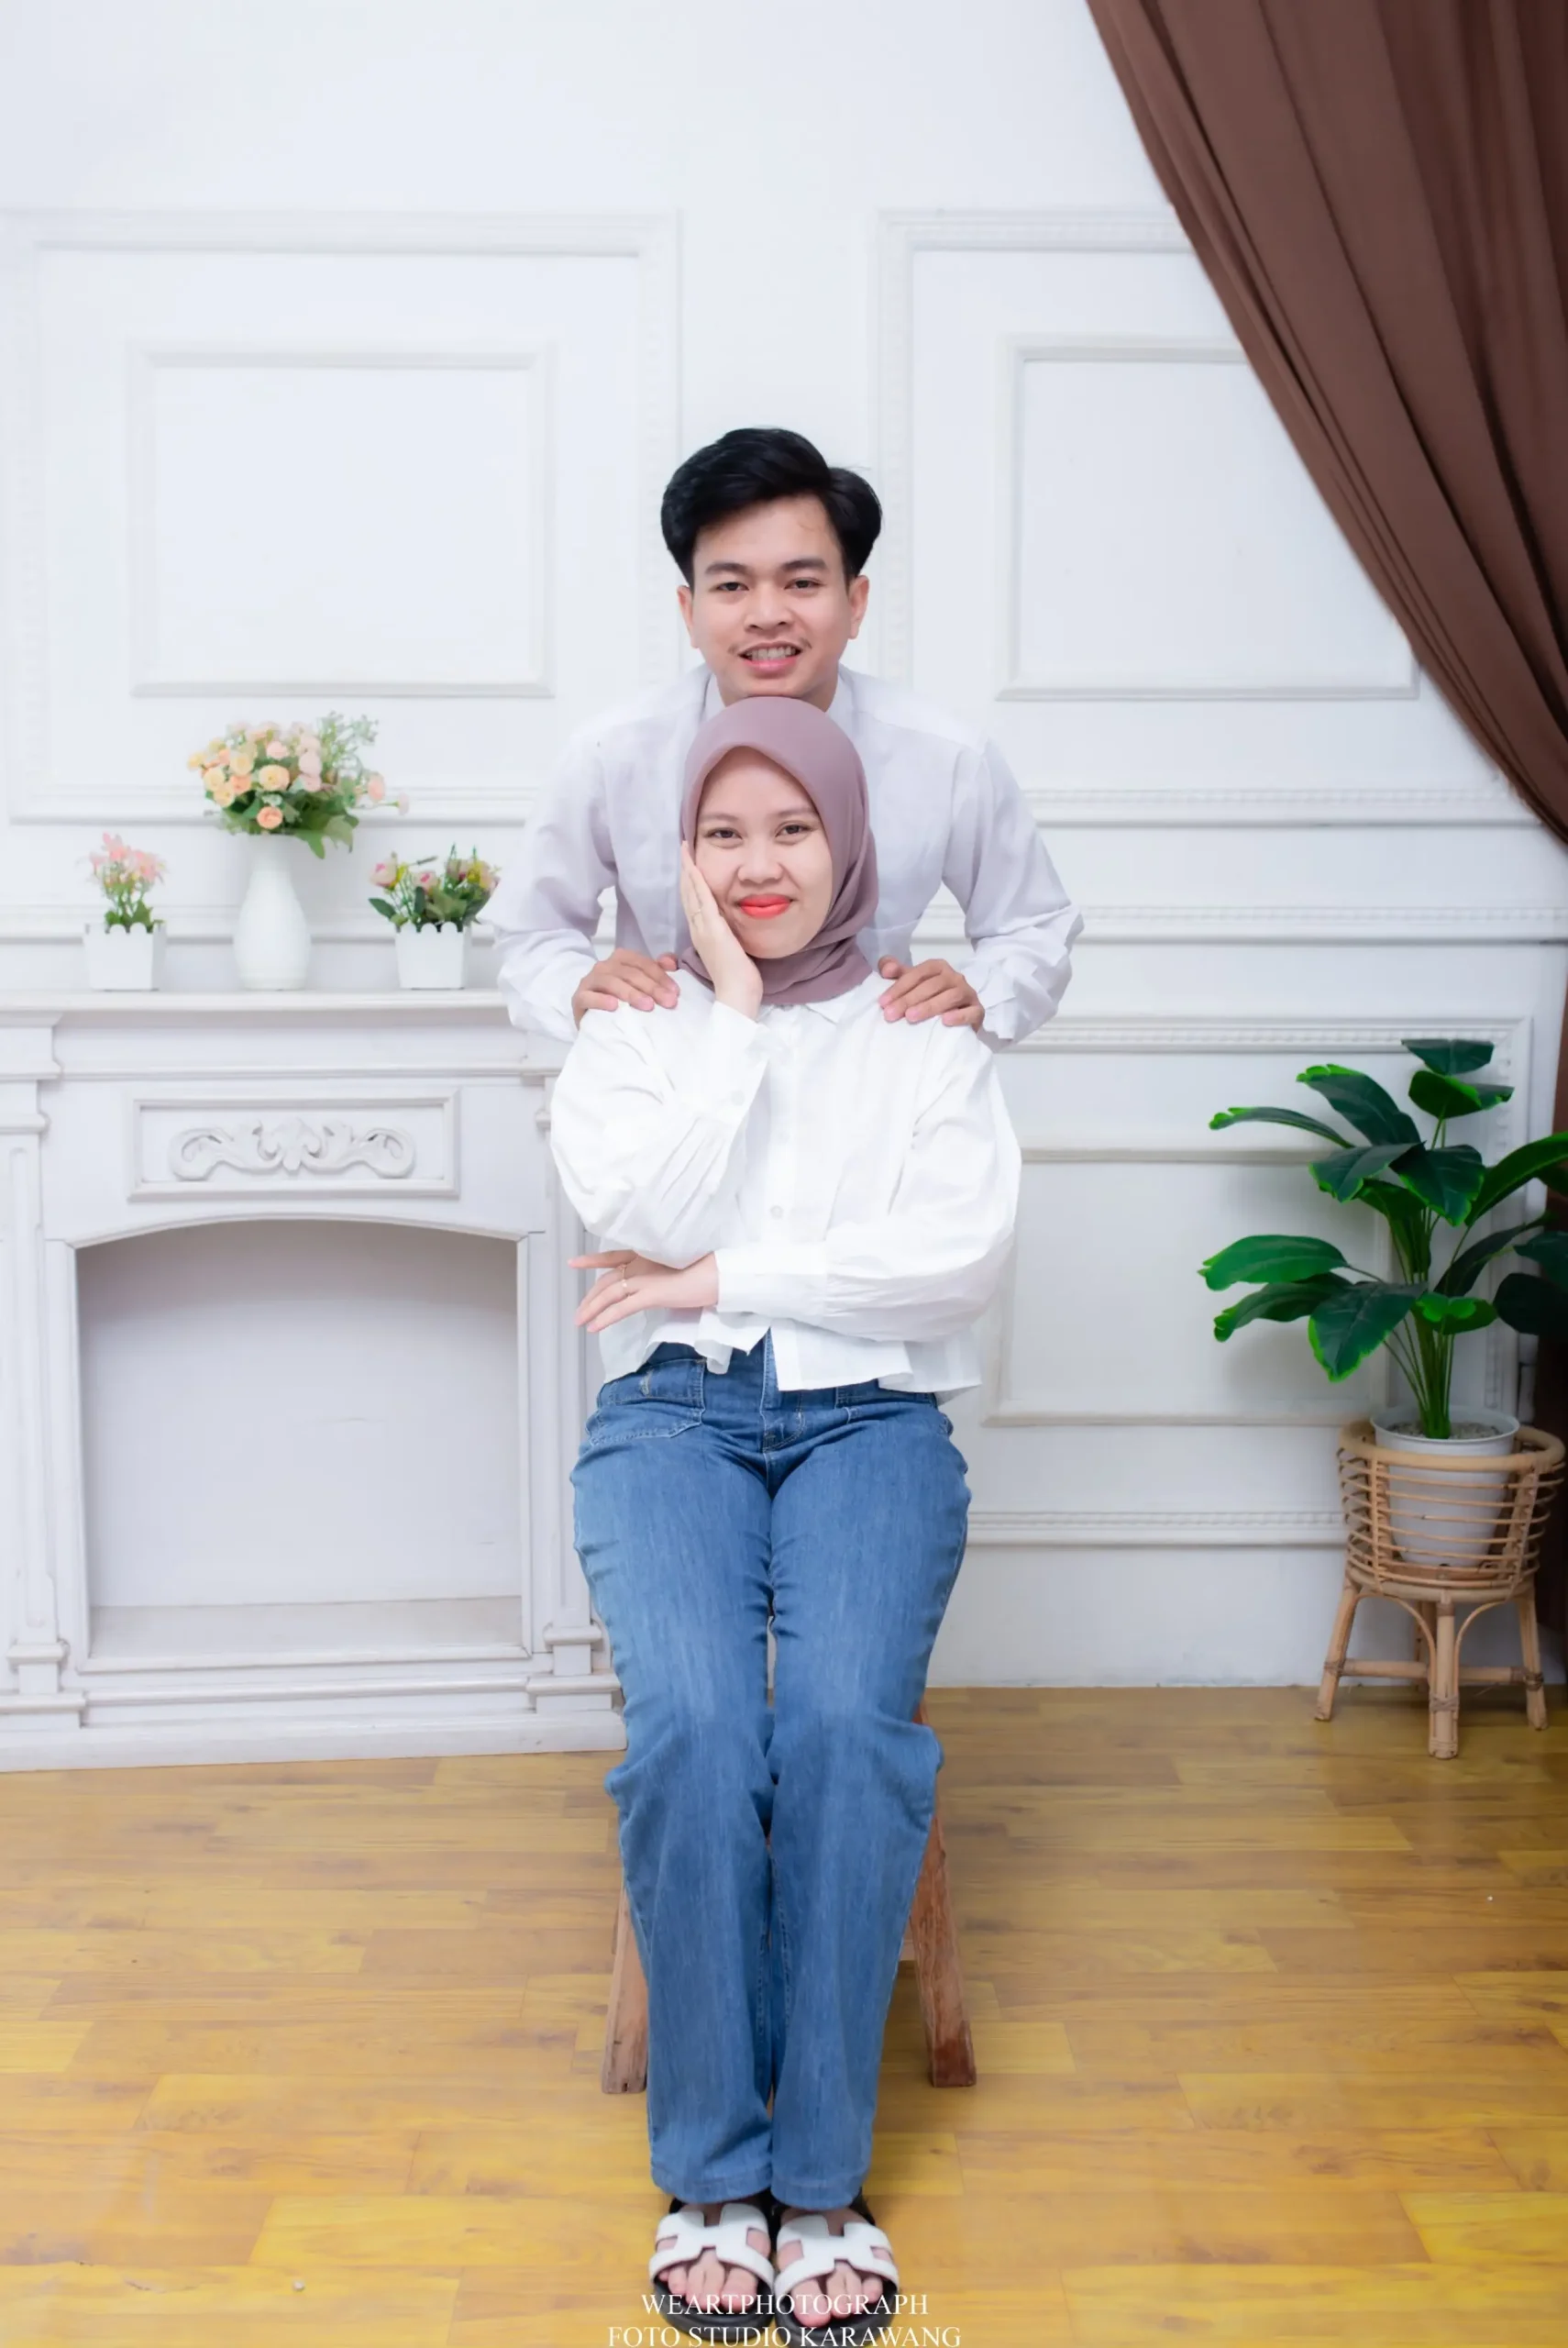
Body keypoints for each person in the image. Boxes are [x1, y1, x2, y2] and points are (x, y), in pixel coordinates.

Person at [548, 693, 1021, 2344]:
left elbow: (951, 1263)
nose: (760, 864)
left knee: (837, 1733)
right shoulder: (633, 1026)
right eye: (722, 836)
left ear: (851, 840)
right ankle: (709, 2181)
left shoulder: (925, 1028)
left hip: (872, 1421)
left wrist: (720, 1280)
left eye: (794, 829)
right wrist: (735, 1012)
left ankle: (819, 2185)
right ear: (679, 858)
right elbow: (634, 1205)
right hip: (667, 1422)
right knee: (692, 1729)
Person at [489, 426, 1081, 1047]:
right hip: (668, 1077)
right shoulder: (613, 753)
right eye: (732, 586)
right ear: (689, 612)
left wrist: (981, 994)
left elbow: (1033, 925)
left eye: (801, 583)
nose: (767, 614)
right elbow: (532, 932)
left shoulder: (947, 756)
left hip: (870, 1077)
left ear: (856, 602)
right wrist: (577, 991)